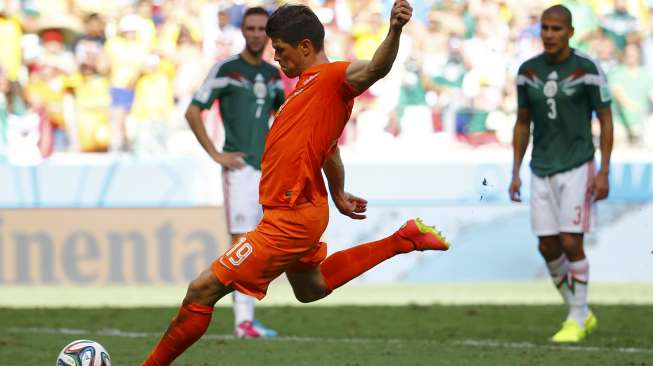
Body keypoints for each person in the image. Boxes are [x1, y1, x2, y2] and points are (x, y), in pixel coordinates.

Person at [141, 2, 450, 365]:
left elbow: (376, 68)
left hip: (289, 219)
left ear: (305, 46)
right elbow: (329, 147)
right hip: (301, 209)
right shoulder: (305, 90)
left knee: (202, 289)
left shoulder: (335, 77)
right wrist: (337, 191)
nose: (276, 58)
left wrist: (395, 29)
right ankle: (403, 238)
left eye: (281, 50)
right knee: (311, 288)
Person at [509, 5, 614, 343]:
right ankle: (581, 311)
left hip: (578, 165)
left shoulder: (587, 69)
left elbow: (606, 120)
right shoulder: (527, 72)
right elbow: (523, 122)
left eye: (556, 29)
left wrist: (604, 170)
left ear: (570, 32)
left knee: (571, 241)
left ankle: (576, 318)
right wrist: (515, 171)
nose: (550, 35)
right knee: (547, 246)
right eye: (545, 28)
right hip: (541, 166)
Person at [185, 6, 284, 338]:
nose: (256, 34)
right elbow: (193, 111)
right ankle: (242, 322)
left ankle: (246, 320)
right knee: (242, 243)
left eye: (262, 29)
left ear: (268, 34)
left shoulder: (272, 75)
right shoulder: (226, 69)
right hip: (239, 170)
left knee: (260, 244)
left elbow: (284, 118)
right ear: (243, 31)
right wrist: (216, 154)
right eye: (251, 28)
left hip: (267, 171)